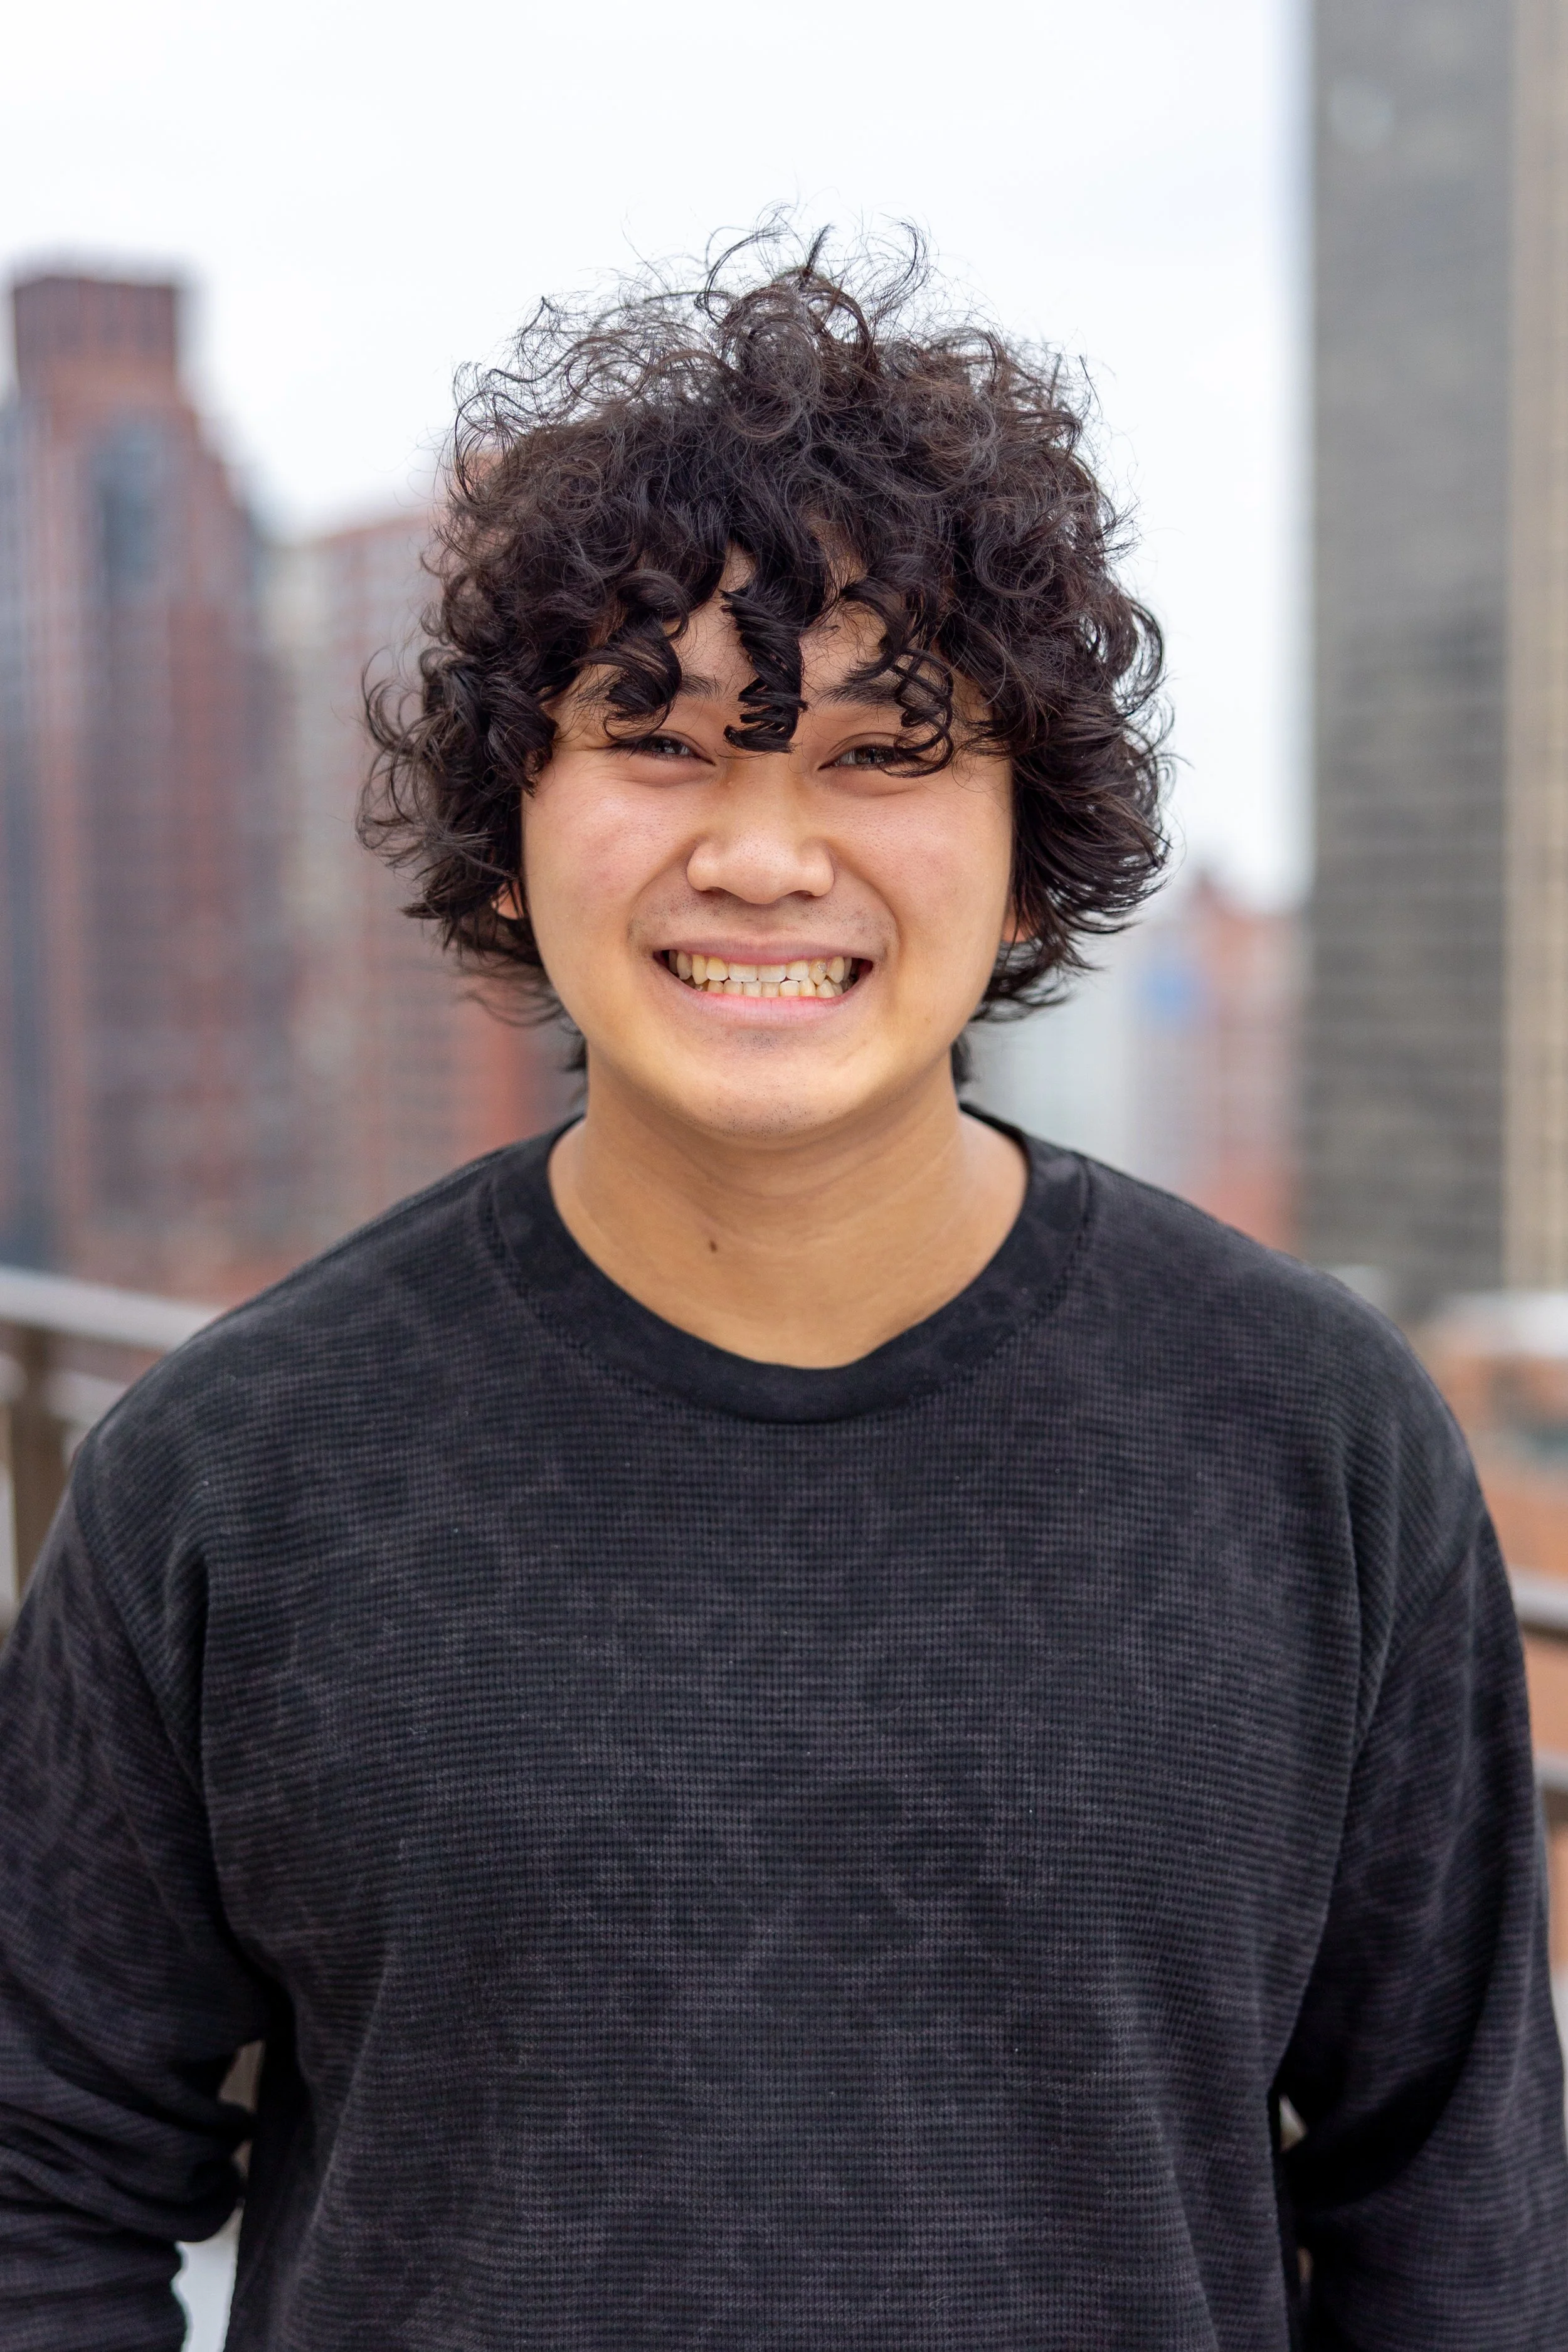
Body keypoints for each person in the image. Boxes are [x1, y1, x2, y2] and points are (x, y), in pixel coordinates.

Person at [0, 233, 1563, 2352]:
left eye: (879, 750)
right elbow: (42, 2176)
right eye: (654, 739)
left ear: (1031, 847)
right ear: (508, 831)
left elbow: (1458, 2222)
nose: (758, 854)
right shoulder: (232, 1467)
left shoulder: (1314, 1438)